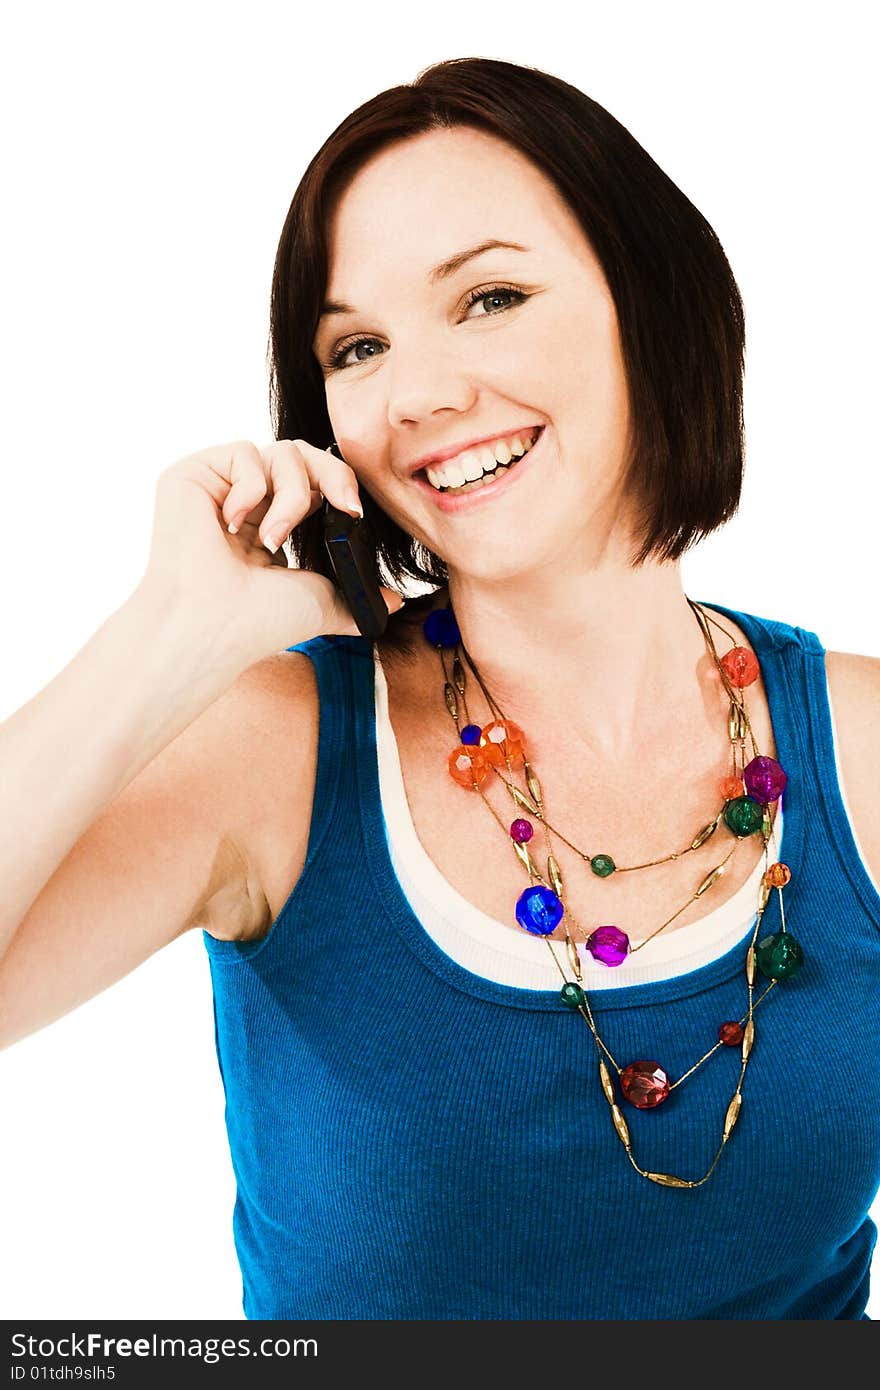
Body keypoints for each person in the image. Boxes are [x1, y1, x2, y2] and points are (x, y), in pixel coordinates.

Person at [1, 55, 878, 1321]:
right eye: (357, 346)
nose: (417, 395)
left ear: (654, 300)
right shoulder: (278, 754)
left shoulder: (849, 738)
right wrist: (164, 636)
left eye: (489, 297)